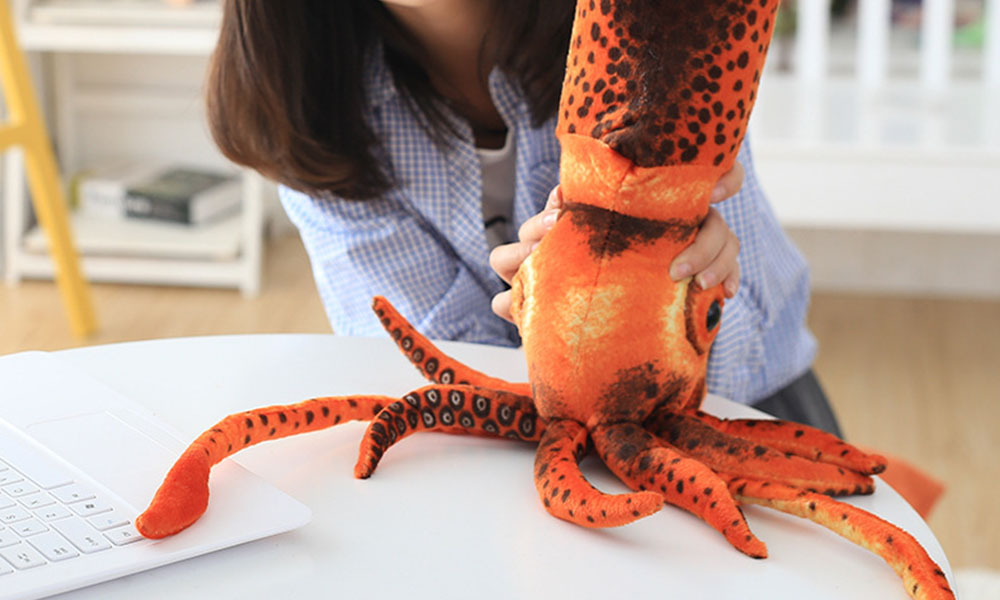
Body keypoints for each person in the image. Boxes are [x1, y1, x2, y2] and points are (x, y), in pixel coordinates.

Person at [203, 0, 843, 437]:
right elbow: (437, 369)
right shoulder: (311, 114)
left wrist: (690, 294)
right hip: (500, 470)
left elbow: (744, 358)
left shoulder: (654, 28)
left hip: (751, 413)